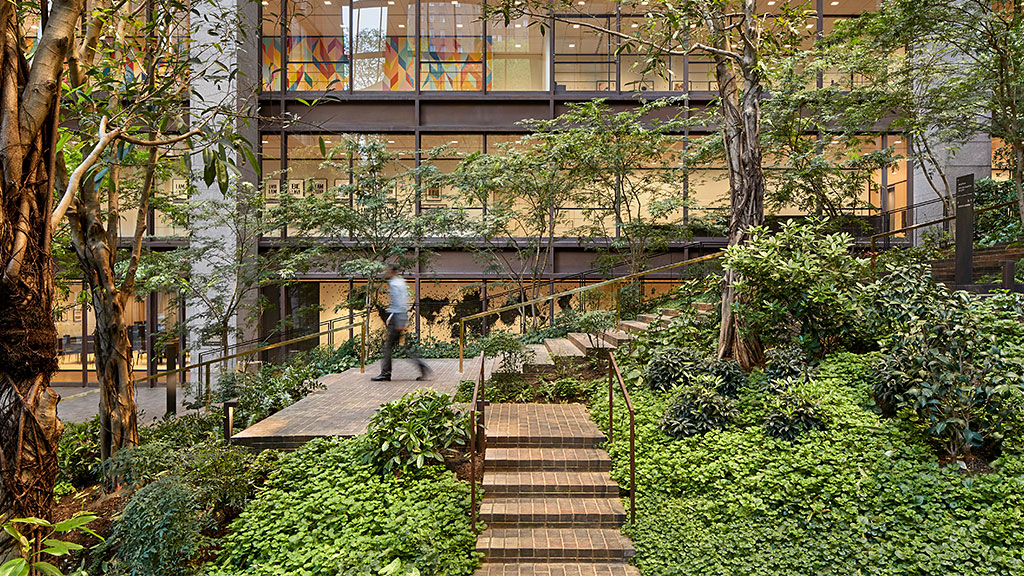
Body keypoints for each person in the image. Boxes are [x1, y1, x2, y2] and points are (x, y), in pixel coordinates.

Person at [371, 265, 431, 381]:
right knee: (400, 347)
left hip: (398, 318)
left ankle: (386, 373)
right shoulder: (400, 282)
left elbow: (400, 302)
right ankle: (421, 366)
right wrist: (392, 316)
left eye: (388, 271)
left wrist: (400, 320)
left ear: (392, 271)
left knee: (388, 347)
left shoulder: (394, 284)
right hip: (397, 317)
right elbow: (399, 303)